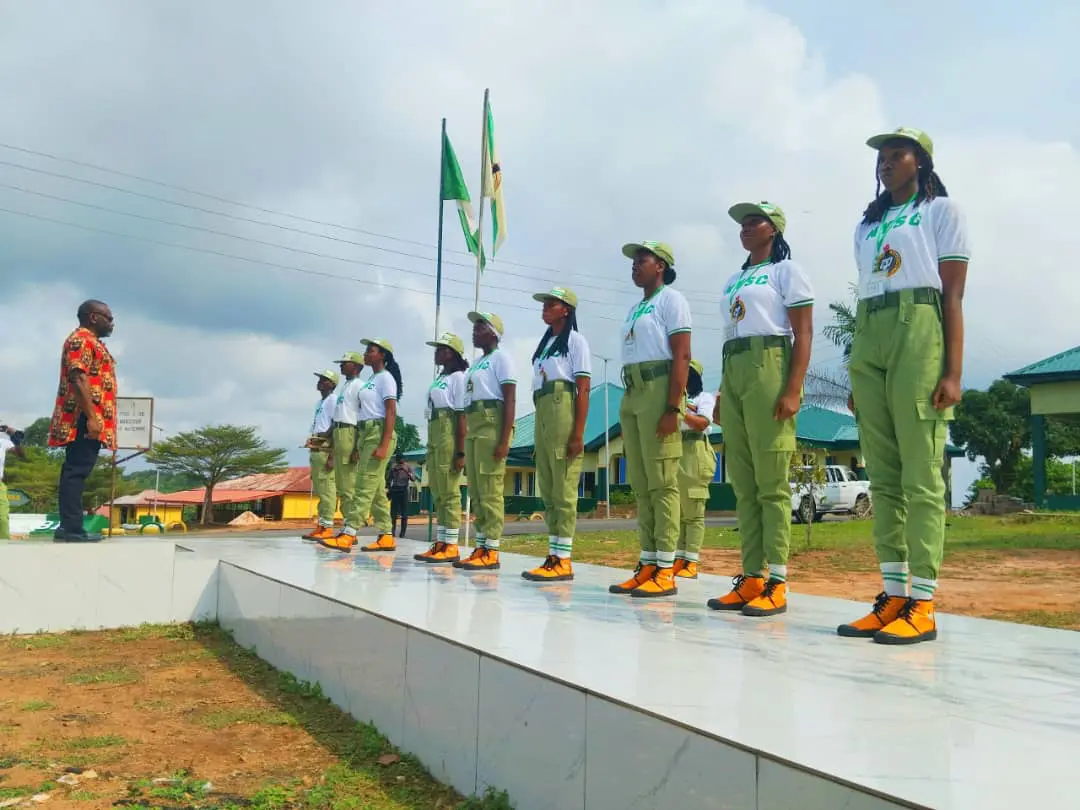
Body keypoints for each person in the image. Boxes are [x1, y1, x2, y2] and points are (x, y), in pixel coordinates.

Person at [838, 127, 968, 645]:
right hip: (870, 333)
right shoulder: (867, 225)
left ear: (921, 161)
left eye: (897, 155)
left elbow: (953, 296)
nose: (887, 164)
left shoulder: (941, 211)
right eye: (882, 158)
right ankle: (893, 595)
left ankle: (924, 602)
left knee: (920, 477)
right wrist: (857, 364)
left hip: (919, 327)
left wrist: (953, 371)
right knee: (884, 478)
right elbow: (866, 293)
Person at [706, 201, 813, 617]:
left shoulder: (787, 271)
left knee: (771, 483)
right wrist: (720, 391)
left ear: (775, 229)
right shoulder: (735, 278)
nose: (746, 227)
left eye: (755, 221)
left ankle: (778, 580)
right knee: (745, 484)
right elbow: (731, 332)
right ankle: (751, 575)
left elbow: (802, 331)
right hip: (734, 368)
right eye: (743, 223)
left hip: (769, 362)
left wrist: (793, 387)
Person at [608, 241, 691, 598]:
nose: (634, 265)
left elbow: (682, 354)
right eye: (633, 261)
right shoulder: (636, 308)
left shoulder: (672, 300)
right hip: (633, 391)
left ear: (661, 265)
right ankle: (647, 561)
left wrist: (673, 408)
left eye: (641, 260)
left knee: (662, 482)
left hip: (659, 389)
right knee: (641, 483)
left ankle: (666, 567)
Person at [522, 287, 591, 582]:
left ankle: (564, 558)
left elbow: (583, 388)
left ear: (566, 309)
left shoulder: (575, 342)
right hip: (543, 410)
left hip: (563, 408)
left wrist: (578, 433)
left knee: (563, 488)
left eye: (551, 304)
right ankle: (554, 554)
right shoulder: (547, 344)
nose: (545, 308)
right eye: (544, 304)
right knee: (548, 488)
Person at [47, 299, 117, 543]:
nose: (112, 323)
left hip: (87, 418)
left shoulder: (93, 343)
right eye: (108, 318)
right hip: (82, 419)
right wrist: (92, 417)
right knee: (76, 472)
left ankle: (69, 526)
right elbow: (77, 378)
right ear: (92, 317)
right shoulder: (82, 340)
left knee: (77, 471)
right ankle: (72, 528)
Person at [456, 311, 516, 572]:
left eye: (480, 326)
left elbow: (510, 398)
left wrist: (504, 439)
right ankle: (481, 546)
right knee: (477, 490)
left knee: (490, 487)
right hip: (474, 423)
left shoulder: (501, 358)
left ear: (494, 332)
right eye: (474, 326)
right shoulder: (478, 363)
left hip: (492, 423)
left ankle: (491, 549)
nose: (475, 330)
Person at [338, 338, 402, 553]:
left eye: (370, 350)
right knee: (374, 490)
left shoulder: (386, 378)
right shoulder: (372, 379)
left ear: (382, 355)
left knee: (364, 485)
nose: (365, 354)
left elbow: (391, 411)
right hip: (367, 432)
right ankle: (386, 535)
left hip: (379, 432)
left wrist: (384, 444)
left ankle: (349, 533)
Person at [414, 332, 469, 565]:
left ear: (452, 353)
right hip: (434, 430)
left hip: (448, 429)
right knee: (437, 488)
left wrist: (460, 451)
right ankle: (441, 541)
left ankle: (452, 544)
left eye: (441, 349)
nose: (436, 353)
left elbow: (461, 415)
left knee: (449, 489)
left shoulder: (458, 377)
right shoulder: (440, 378)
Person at [673, 359, 716, 580]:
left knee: (693, 511)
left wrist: (680, 411)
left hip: (695, 450)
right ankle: (679, 558)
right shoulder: (674, 398)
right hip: (676, 448)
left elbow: (702, 423)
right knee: (678, 512)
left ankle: (691, 560)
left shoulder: (703, 398)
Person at [319, 351, 365, 550]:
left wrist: (357, 446)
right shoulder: (346, 386)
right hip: (339, 432)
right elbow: (338, 417)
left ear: (355, 365)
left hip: (349, 433)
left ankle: (350, 530)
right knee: (341, 486)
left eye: (344, 363)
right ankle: (347, 527)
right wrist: (324, 437)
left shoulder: (359, 387)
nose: (341, 366)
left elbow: (362, 418)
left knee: (348, 487)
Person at [301, 369, 339, 542]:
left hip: (325, 448)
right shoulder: (320, 403)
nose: (320, 382)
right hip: (315, 447)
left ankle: (328, 526)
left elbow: (335, 425)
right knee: (320, 488)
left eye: (324, 380)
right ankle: (322, 524)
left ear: (332, 384)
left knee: (327, 489)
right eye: (320, 379)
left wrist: (332, 454)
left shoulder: (333, 400)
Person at [0, 424, 27, 540]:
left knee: (2, 513)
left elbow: (21, 455)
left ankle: (4, 538)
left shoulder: (3, 442)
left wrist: (15, 439)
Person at [386, 454, 418, 537]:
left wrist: (406, 471)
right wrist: (389, 489)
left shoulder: (408, 467)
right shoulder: (393, 467)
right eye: (398, 460)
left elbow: (414, 478)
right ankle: (392, 532)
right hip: (395, 489)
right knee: (393, 513)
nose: (400, 462)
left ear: (404, 459)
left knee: (404, 513)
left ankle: (402, 533)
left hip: (404, 490)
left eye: (401, 460)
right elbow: (388, 479)